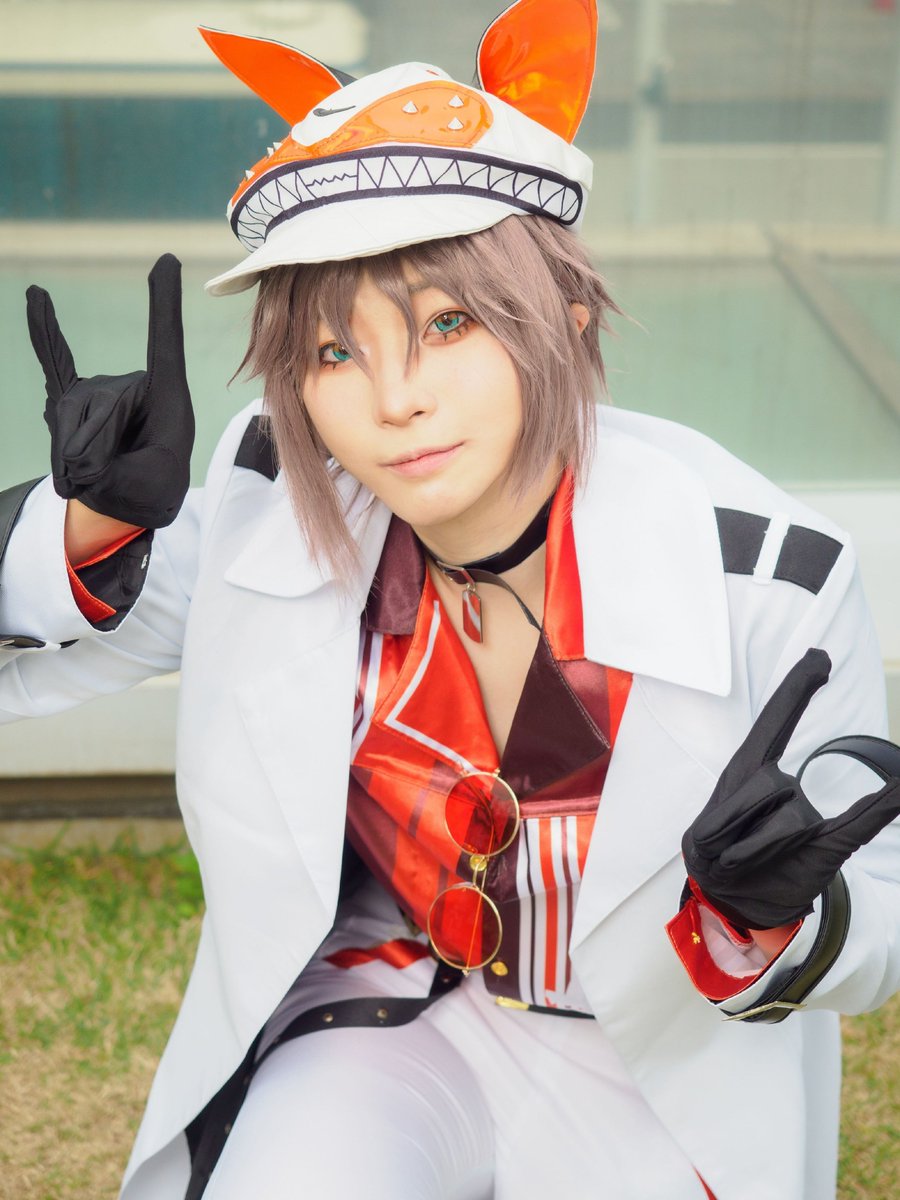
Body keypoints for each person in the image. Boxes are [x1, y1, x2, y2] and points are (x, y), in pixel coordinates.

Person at [2, 2, 900, 1198]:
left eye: (448, 322)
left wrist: (774, 918)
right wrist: (90, 526)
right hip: (387, 1018)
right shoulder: (273, 507)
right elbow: (33, 648)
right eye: (335, 351)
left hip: (649, 1064)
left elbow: (876, 913)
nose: (396, 399)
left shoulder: (773, 577)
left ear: (567, 313)